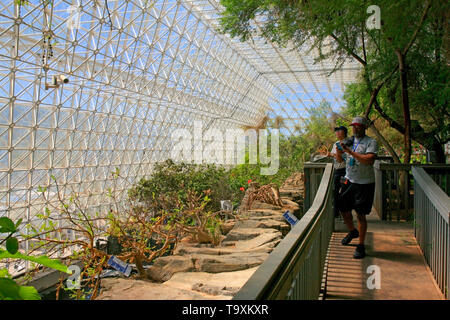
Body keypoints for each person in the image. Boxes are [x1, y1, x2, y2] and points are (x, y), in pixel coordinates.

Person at [335, 116, 378, 259]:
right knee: (342, 208)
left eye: (358, 126)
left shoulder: (371, 142)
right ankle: (353, 231)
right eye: (353, 126)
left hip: (364, 183)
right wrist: (339, 152)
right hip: (349, 180)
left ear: (364, 127)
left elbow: (369, 160)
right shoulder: (349, 141)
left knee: (360, 214)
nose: (354, 128)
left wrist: (350, 152)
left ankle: (361, 245)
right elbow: (341, 160)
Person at [326, 126, 348, 218]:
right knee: (334, 192)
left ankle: (344, 213)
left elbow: (343, 158)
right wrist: (331, 154)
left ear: (344, 132)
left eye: (339, 131)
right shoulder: (336, 144)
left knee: (344, 191)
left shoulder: (348, 143)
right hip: (336, 171)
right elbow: (334, 155)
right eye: (336, 131)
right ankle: (336, 213)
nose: (337, 133)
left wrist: (334, 154)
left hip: (345, 172)